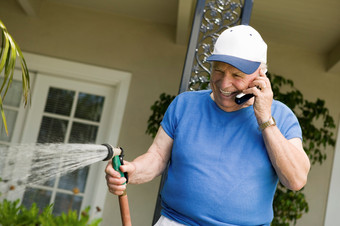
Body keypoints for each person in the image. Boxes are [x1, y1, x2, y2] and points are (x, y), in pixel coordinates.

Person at [105, 25, 310, 226]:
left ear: (260, 77)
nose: (224, 83)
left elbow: (296, 180)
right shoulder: (185, 104)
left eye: (236, 75)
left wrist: (265, 118)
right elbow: (157, 156)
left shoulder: (281, 117)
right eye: (218, 71)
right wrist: (131, 170)